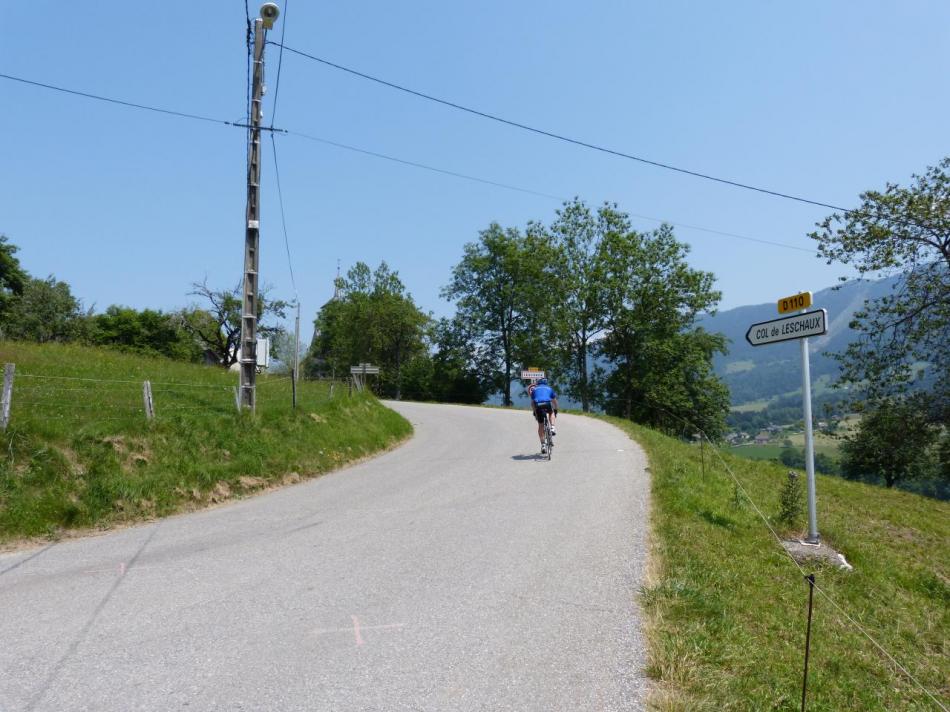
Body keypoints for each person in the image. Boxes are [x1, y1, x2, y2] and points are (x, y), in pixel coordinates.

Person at [530, 378, 559, 454]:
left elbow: (532, 403)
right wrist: (555, 409)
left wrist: (534, 412)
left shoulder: (534, 389)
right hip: (547, 403)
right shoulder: (549, 388)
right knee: (551, 412)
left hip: (538, 405)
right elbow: (554, 401)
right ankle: (552, 427)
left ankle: (543, 444)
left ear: (538, 383)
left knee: (541, 425)